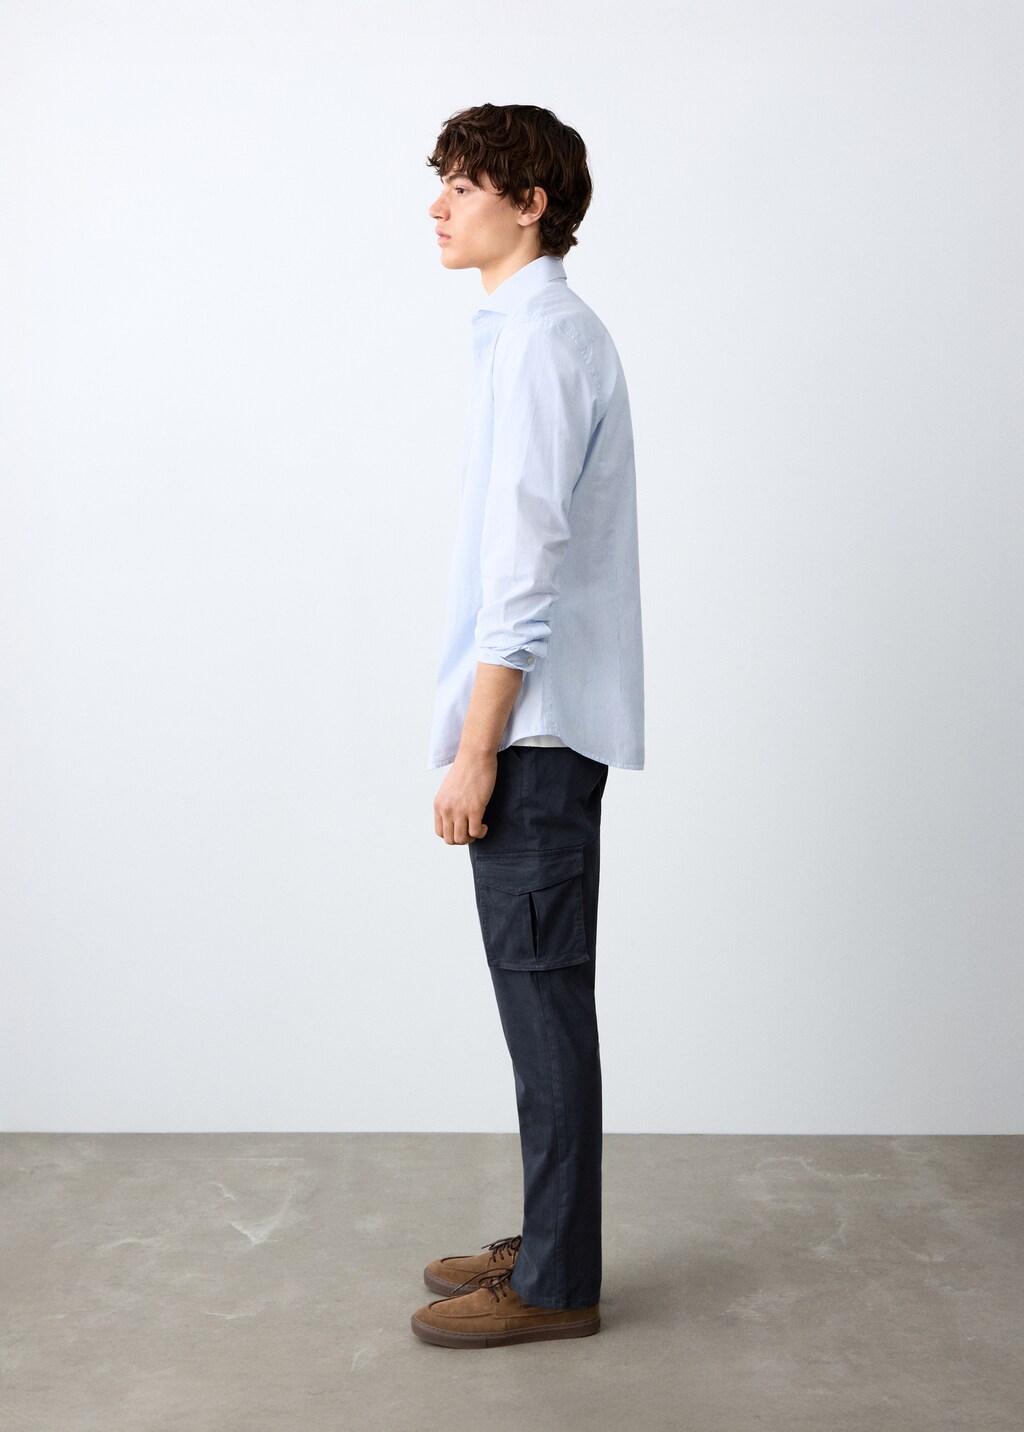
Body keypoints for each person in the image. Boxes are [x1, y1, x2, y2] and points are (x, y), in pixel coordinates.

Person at [411, 103, 644, 1350]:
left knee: (544, 1006)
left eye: (462, 183)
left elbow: (525, 566)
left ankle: (556, 1284)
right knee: (538, 1002)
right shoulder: (522, 334)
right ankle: (552, 1243)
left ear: (529, 201)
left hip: (534, 738)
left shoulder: (546, 340)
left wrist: (475, 746)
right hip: (536, 730)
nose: (438, 205)